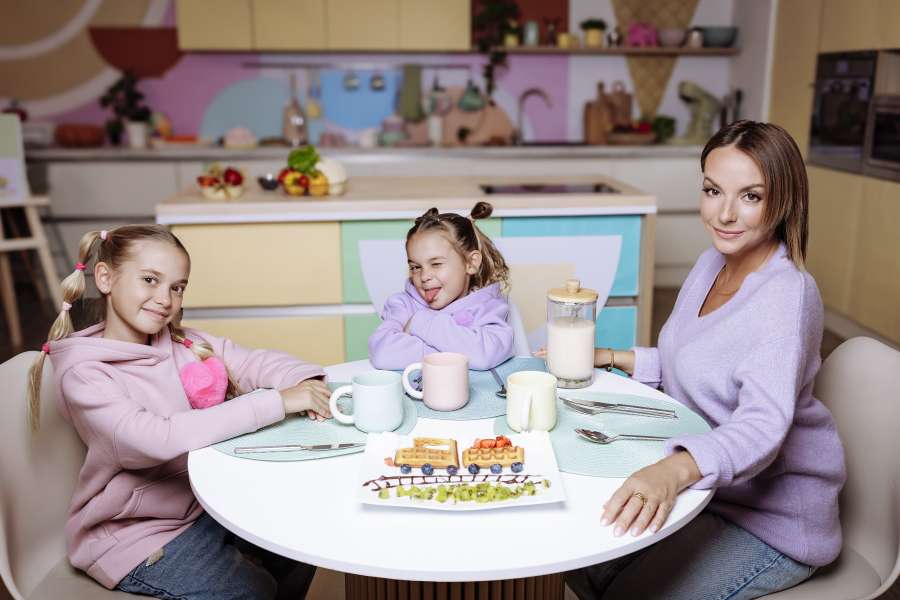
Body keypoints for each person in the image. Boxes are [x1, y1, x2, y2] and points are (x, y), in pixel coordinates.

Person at [567, 121, 846, 599]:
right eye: (713, 191)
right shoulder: (711, 263)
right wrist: (614, 357)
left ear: (784, 201)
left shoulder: (786, 295)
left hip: (771, 522)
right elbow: (697, 362)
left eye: (751, 196)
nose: (725, 214)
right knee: (582, 562)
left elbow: (762, 425)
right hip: (710, 491)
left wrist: (673, 471)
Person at [28, 225, 331, 600]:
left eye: (177, 287)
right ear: (105, 278)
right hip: (135, 537)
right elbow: (155, 438)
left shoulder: (185, 343)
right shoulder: (86, 375)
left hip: (204, 507)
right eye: (150, 280)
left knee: (302, 541)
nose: (165, 299)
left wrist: (306, 383)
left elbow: (253, 362)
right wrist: (277, 402)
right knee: (252, 590)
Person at [368, 201, 514, 370]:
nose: (424, 276)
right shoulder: (402, 305)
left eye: (436, 264)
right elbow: (383, 355)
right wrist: (464, 349)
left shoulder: (488, 307)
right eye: (416, 267)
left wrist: (421, 322)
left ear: (471, 263)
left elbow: (485, 355)